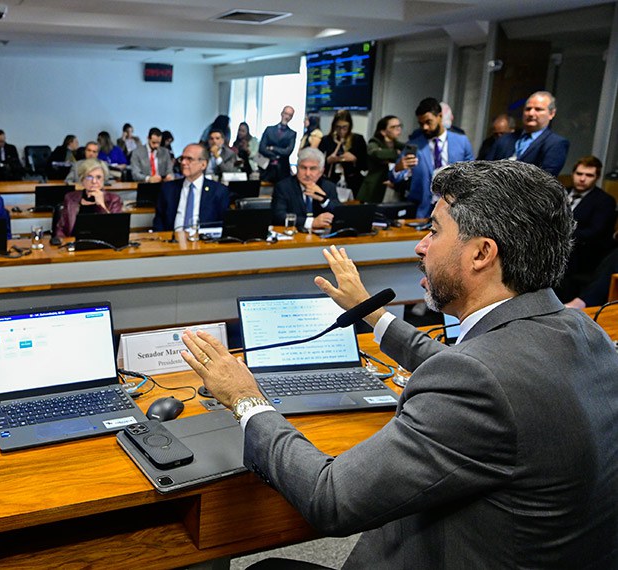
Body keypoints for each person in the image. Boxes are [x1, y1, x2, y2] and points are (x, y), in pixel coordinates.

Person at [181, 160, 618, 569]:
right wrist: (372, 313)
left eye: (433, 230)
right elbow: (464, 366)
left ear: (482, 253)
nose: (420, 245)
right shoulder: (586, 335)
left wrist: (246, 399)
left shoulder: (476, 381)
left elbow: (330, 497)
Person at [395, 97, 474, 217]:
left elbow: (472, 174)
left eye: (428, 122)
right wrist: (398, 168)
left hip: (454, 209)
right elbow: (395, 177)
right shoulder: (414, 145)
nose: (424, 127)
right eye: (421, 124)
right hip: (422, 210)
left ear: (440, 116)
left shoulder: (462, 142)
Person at [556, 155, 617, 300]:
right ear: (573, 174)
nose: (582, 179)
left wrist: (559, 235)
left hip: (582, 251)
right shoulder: (560, 192)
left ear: (597, 178)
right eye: (579, 174)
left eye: (589, 175)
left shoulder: (604, 201)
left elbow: (594, 232)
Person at [486, 91, 570, 176]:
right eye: (528, 109)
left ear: (551, 113)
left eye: (538, 109)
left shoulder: (556, 143)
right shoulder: (505, 139)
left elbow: (546, 179)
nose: (531, 113)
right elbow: (486, 168)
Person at [152, 143, 229, 232]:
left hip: (205, 243)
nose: (184, 163)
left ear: (203, 164)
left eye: (189, 159)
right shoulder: (168, 189)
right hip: (172, 241)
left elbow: (223, 224)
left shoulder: (218, 191)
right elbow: (159, 223)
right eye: (182, 158)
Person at [270, 147, 338, 232]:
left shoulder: (329, 187)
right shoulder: (283, 187)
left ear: (321, 171)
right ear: (297, 168)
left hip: (322, 238)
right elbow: (278, 216)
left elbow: (341, 215)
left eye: (313, 169)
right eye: (303, 168)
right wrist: (311, 222)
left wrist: (324, 200)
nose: (307, 173)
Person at [54, 158, 123, 238]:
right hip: (73, 246)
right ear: (82, 179)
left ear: (104, 179)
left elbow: (115, 231)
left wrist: (101, 205)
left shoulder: (114, 200)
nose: (94, 181)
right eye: (89, 177)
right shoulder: (70, 198)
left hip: (103, 247)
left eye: (98, 177)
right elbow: (60, 229)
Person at [318, 109, 368, 200]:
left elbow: (366, 164)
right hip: (331, 180)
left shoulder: (357, 139)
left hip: (353, 182)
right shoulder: (327, 140)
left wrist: (354, 159)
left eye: (345, 127)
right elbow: (317, 162)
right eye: (338, 127)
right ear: (334, 126)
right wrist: (328, 160)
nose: (341, 131)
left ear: (350, 126)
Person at [358, 115, 405, 203]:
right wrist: (395, 153)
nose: (398, 129)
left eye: (399, 126)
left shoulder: (397, 144)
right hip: (374, 187)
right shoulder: (374, 142)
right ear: (383, 131)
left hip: (391, 187)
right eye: (393, 127)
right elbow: (375, 153)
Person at [258, 106, 297, 183]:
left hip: (282, 170)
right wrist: (275, 156)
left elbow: (288, 152)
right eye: (286, 113)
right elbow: (262, 148)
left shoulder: (292, 134)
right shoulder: (269, 130)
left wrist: (272, 148)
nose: (287, 117)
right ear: (282, 113)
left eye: (290, 115)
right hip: (266, 168)